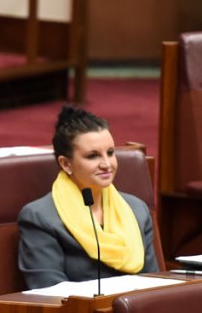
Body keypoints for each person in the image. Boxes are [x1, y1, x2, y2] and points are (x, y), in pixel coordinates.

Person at [18, 106, 160, 289]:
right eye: (93, 156)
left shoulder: (136, 209)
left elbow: (155, 285)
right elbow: (48, 293)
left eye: (110, 153)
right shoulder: (40, 217)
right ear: (66, 163)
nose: (106, 164)